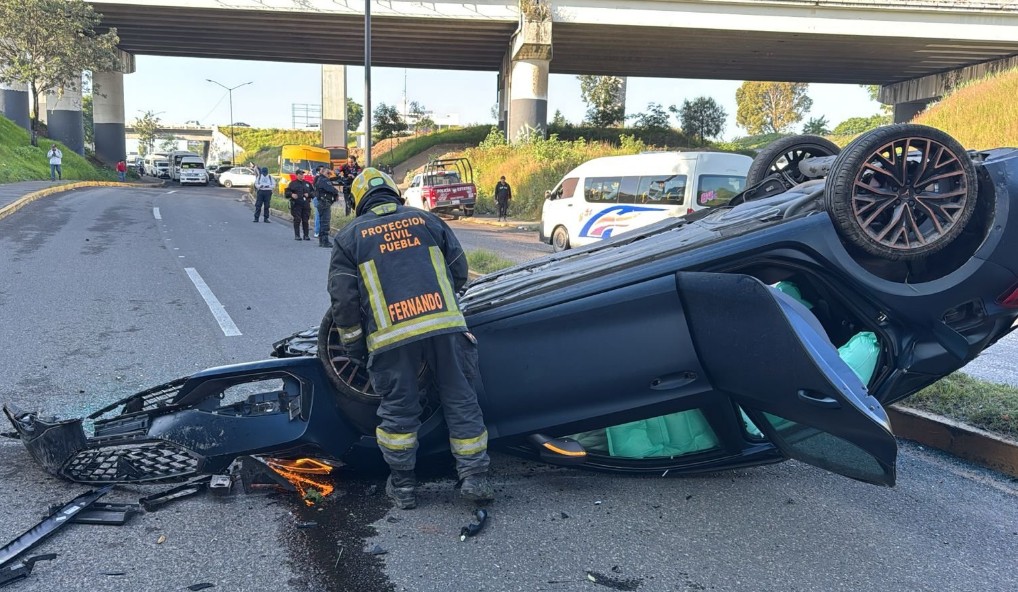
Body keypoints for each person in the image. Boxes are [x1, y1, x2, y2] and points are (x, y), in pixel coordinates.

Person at [328, 168, 494, 510]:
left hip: (392, 338)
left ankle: (403, 487)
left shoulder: (350, 237)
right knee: (460, 399)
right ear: (394, 193)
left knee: (399, 410)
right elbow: (459, 270)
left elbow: (344, 302)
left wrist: (355, 348)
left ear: (358, 202)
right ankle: (474, 478)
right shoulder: (427, 221)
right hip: (444, 326)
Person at [313, 166, 339, 248]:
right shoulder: (324, 180)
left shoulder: (320, 179)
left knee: (322, 222)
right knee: (325, 222)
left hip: (322, 203)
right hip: (324, 203)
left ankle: (322, 241)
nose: (329, 174)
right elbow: (331, 189)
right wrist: (336, 192)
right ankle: (325, 241)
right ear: (323, 172)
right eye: (328, 173)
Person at [284, 170, 314, 240]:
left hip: (306, 204)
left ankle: (306, 235)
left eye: (303, 174)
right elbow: (286, 193)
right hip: (296, 204)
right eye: (300, 174)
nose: (302, 175)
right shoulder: (292, 183)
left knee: (305, 220)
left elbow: (314, 192)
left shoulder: (307, 183)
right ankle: (297, 235)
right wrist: (292, 194)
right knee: (297, 219)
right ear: (297, 175)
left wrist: (309, 194)